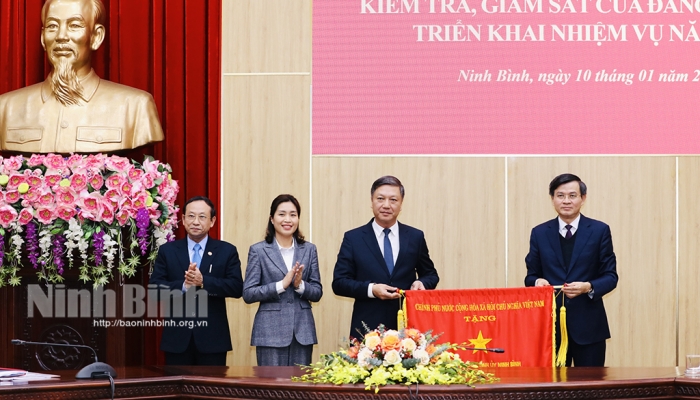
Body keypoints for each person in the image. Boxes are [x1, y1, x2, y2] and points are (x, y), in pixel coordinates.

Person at [0, 0, 164, 153]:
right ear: (43, 38)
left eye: (74, 25)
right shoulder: (6, 108)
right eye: (52, 26)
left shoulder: (135, 107)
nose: (61, 36)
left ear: (96, 36)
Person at [525, 173, 618, 367]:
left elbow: (610, 276)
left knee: (591, 389)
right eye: (560, 195)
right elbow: (531, 276)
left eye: (572, 195)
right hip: (551, 328)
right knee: (554, 390)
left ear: (583, 199)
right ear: (552, 199)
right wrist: (537, 282)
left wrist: (588, 287)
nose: (566, 201)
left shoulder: (599, 230)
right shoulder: (540, 233)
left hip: (590, 327)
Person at [332, 176, 440, 339]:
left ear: (401, 204)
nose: (386, 205)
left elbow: (431, 275)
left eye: (393, 200)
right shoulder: (353, 238)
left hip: (408, 329)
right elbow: (339, 283)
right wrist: (371, 290)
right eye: (380, 199)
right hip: (367, 329)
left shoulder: (415, 237)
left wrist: (421, 283)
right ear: (372, 201)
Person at [150, 196, 243, 366]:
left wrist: (203, 282)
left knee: (210, 391)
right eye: (191, 216)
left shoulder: (226, 251)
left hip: (212, 340)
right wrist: (183, 286)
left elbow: (237, 288)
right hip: (177, 340)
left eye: (202, 217)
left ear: (212, 221)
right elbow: (154, 289)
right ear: (183, 220)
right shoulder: (167, 251)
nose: (196, 222)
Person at [243, 194, 323, 366]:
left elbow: (317, 292)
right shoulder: (259, 250)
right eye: (282, 214)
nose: (288, 219)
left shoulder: (309, 250)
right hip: (269, 332)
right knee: (271, 390)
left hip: (302, 332)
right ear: (272, 219)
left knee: (300, 390)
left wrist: (299, 285)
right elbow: (248, 293)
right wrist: (281, 285)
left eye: (293, 215)